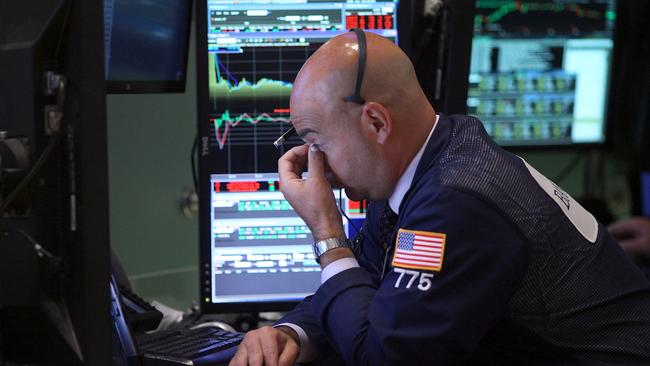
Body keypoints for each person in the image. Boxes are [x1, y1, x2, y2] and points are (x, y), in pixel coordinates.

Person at [229, 30, 650, 365]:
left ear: (376, 123)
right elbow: (371, 289)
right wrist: (291, 334)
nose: (316, 164)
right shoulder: (427, 161)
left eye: (317, 141)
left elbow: (385, 356)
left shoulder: (458, 203)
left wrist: (327, 235)